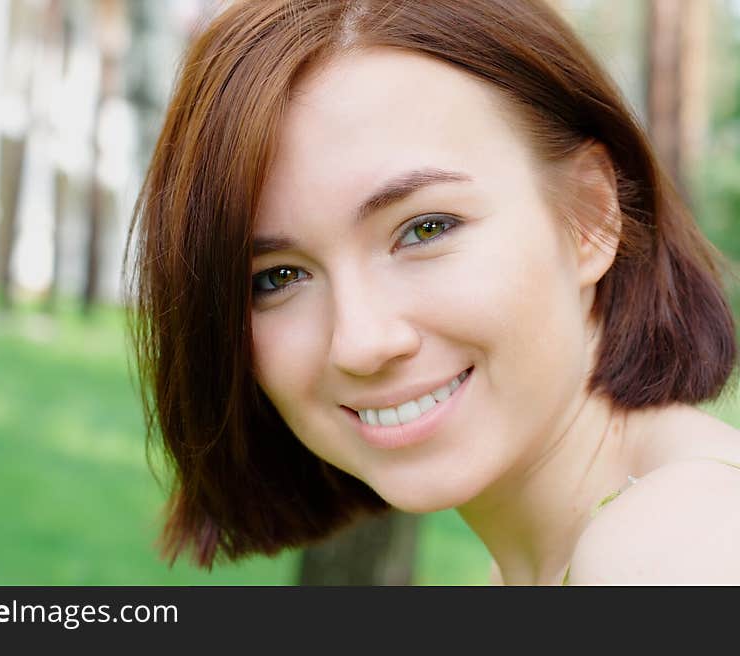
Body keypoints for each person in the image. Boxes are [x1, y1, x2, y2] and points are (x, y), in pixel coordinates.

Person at [124, 0, 740, 585]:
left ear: (590, 216)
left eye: (425, 230)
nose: (361, 343)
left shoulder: (669, 551)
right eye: (278, 277)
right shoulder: (552, 557)